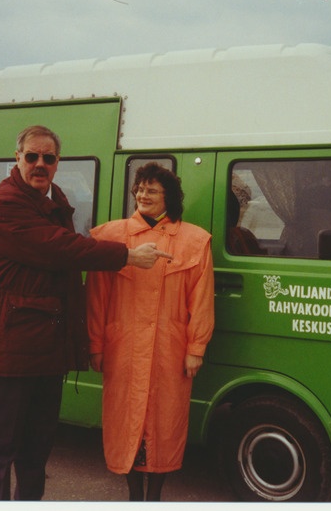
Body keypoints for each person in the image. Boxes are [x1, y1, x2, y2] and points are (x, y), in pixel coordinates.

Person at [0, 126, 171, 500]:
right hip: (10, 346)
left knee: (36, 450)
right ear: (17, 158)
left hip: (46, 348)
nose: (40, 164)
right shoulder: (6, 204)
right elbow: (60, 248)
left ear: (58, 162)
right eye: (32, 156)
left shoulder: (52, 196)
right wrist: (127, 255)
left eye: (48, 158)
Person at [86, 162, 214, 501]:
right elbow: (97, 298)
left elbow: (200, 301)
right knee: (126, 421)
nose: (143, 195)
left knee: (163, 423)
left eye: (152, 190)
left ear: (169, 198)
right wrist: (96, 343)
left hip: (167, 351)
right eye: (140, 189)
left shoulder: (194, 241)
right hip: (123, 346)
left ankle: (154, 497)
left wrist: (195, 348)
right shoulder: (108, 237)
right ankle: (132, 496)